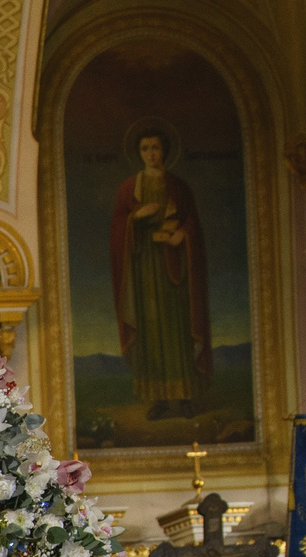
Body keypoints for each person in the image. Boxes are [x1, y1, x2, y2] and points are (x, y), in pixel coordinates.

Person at [109, 123, 210, 419]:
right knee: (152, 332)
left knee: (177, 329)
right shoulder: (129, 188)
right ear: (138, 153)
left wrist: (184, 235)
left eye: (155, 148)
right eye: (145, 149)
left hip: (174, 271)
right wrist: (135, 218)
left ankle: (185, 395)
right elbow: (117, 228)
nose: (151, 154)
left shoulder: (178, 186)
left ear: (164, 150)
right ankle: (160, 399)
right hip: (144, 272)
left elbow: (192, 223)